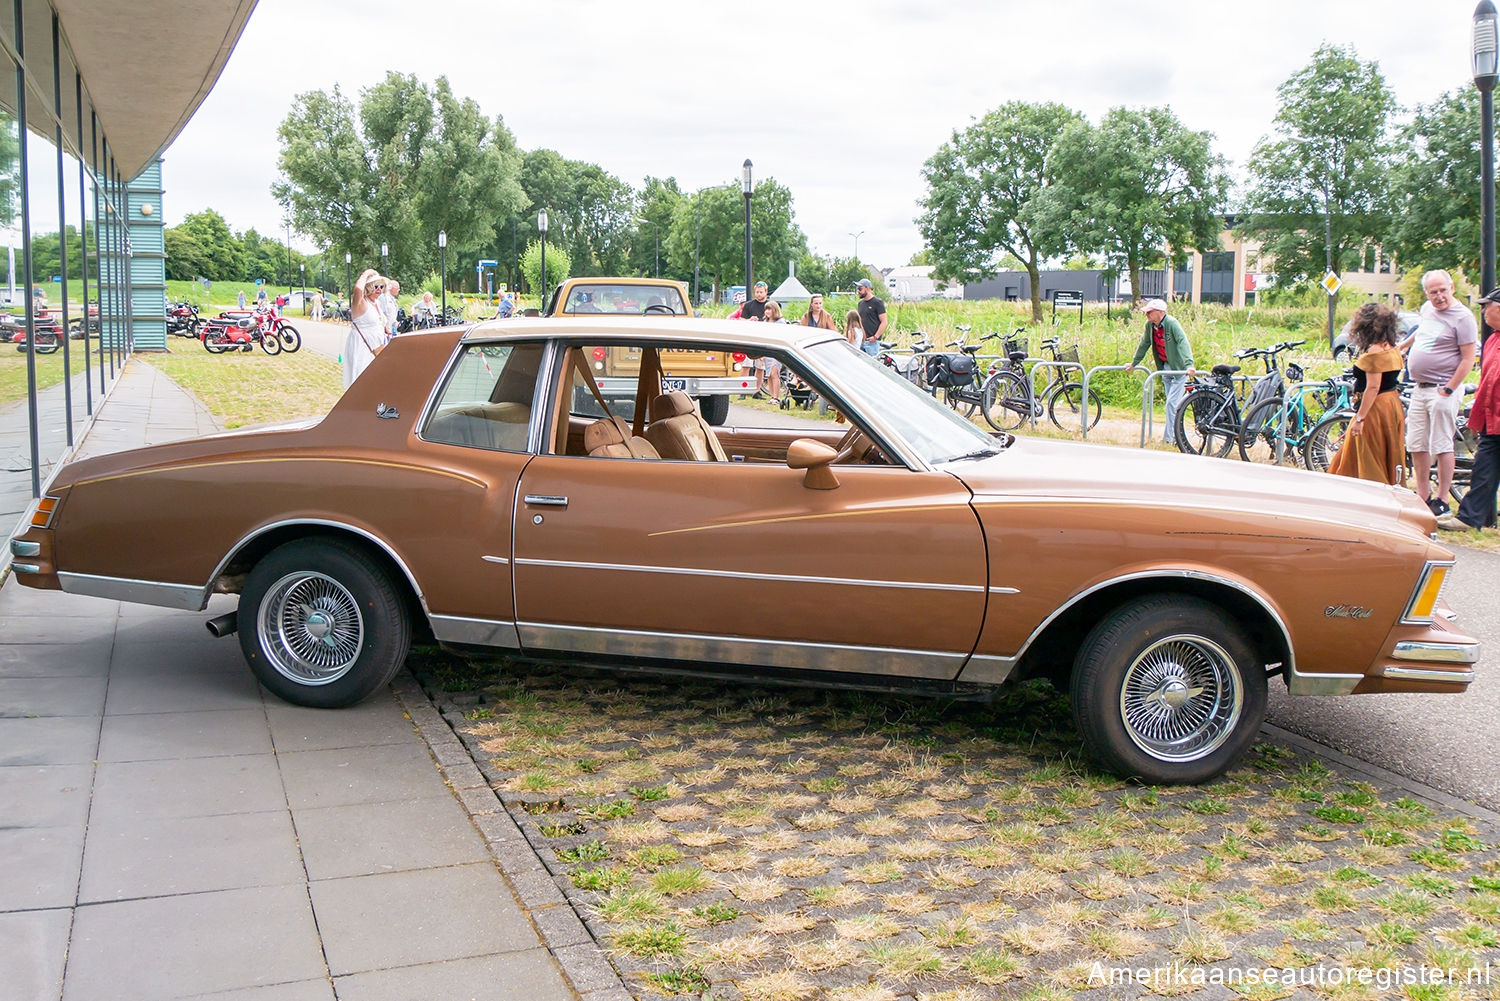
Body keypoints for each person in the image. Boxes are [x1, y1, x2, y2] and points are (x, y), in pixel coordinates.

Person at [1399, 269, 1478, 517]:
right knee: (1416, 442)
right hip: (1420, 388)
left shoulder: (1463, 317)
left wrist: (1449, 389)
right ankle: (1423, 494)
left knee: (1442, 444)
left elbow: (1467, 358)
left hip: (1443, 388)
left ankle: (1443, 499)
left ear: (1451, 287)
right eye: (1433, 292)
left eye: (1443, 290)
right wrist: (1402, 347)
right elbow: (1421, 331)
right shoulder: (1427, 310)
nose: (1439, 296)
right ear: (1427, 293)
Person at [1439, 287, 1500, 532]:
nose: (1483, 311)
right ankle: (1471, 518)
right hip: (1491, 420)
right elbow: (1488, 381)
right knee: (1483, 471)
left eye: (1488, 306)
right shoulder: (1493, 340)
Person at [1326, 303, 1407, 485]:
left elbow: (1372, 387)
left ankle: (1367, 490)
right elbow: (1401, 351)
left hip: (1375, 408)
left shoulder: (1374, 352)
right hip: (1391, 404)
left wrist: (1360, 418)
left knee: (1368, 453)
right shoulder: (1391, 348)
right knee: (1386, 451)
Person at [1126, 298, 1196, 444]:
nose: (1147, 315)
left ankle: (1169, 438)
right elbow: (1144, 343)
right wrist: (1134, 363)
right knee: (1173, 405)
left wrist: (1189, 364)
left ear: (1160, 312)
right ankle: (1176, 437)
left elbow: (1182, 342)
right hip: (1165, 368)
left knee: (1171, 404)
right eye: (1146, 313)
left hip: (1178, 369)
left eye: (1150, 312)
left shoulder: (1171, 323)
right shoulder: (1150, 326)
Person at [344, 269, 389, 389]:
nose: (378, 289)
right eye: (375, 286)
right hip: (363, 347)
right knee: (362, 381)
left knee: (377, 381)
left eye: (381, 286)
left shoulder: (377, 304)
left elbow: (380, 322)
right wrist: (367, 273)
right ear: (368, 287)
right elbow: (358, 289)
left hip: (378, 347)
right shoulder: (360, 303)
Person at [758, 301, 785, 400]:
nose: (767, 311)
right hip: (767, 351)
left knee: (775, 373)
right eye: (766, 309)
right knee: (768, 374)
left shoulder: (781, 322)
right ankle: (772, 395)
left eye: (770, 309)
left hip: (777, 350)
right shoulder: (765, 322)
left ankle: (776, 397)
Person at [854, 279, 886, 356]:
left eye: (860, 288)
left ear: (867, 288)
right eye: (857, 289)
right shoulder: (860, 304)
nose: (858, 291)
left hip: (872, 342)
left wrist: (875, 337)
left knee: (872, 364)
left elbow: (884, 322)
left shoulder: (877, 303)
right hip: (861, 340)